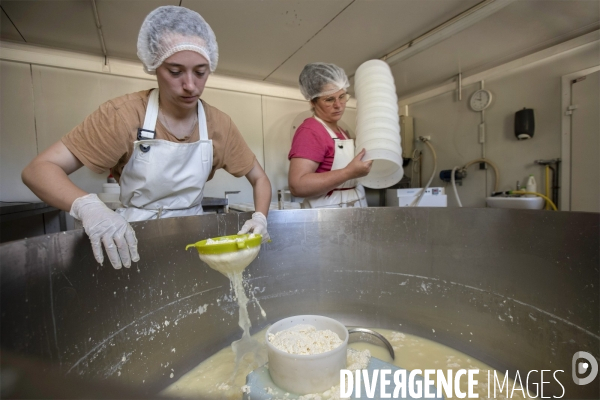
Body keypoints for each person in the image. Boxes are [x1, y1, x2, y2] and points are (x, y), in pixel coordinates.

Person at [21, 6, 271, 270]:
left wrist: (260, 218)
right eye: (175, 71)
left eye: (200, 72)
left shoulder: (219, 124)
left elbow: (260, 179)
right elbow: (38, 170)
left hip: (195, 239)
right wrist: (89, 208)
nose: (190, 85)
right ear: (154, 65)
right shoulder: (123, 115)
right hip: (131, 238)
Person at [288, 62, 372, 209]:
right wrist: (348, 172)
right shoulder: (310, 131)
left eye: (342, 96)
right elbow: (298, 186)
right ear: (313, 101)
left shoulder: (342, 132)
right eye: (329, 99)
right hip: (327, 216)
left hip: (353, 209)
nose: (338, 105)